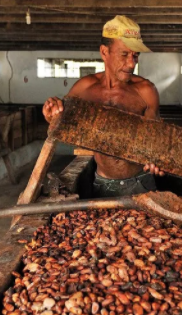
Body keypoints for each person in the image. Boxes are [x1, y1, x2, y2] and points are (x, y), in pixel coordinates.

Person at [42, 15, 165, 198]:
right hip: (103, 183)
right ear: (104, 52)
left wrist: (157, 155)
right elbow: (59, 122)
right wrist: (50, 113)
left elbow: (155, 134)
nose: (131, 63)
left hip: (141, 182)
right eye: (124, 54)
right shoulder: (85, 89)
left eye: (135, 55)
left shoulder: (146, 91)